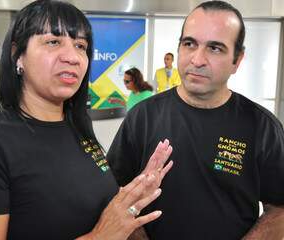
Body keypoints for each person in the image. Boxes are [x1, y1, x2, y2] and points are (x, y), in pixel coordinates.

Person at [0, 1, 174, 239]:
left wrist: (132, 195)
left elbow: (94, 206)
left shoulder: (78, 129)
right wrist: (99, 236)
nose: (73, 57)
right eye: (53, 42)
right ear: (17, 55)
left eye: (80, 45)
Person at [107, 1, 284, 239]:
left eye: (215, 48)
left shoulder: (262, 127)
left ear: (237, 59)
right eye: (189, 44)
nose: (197, 59)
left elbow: (280, 208)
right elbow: (114, 192)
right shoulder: (143, 117)